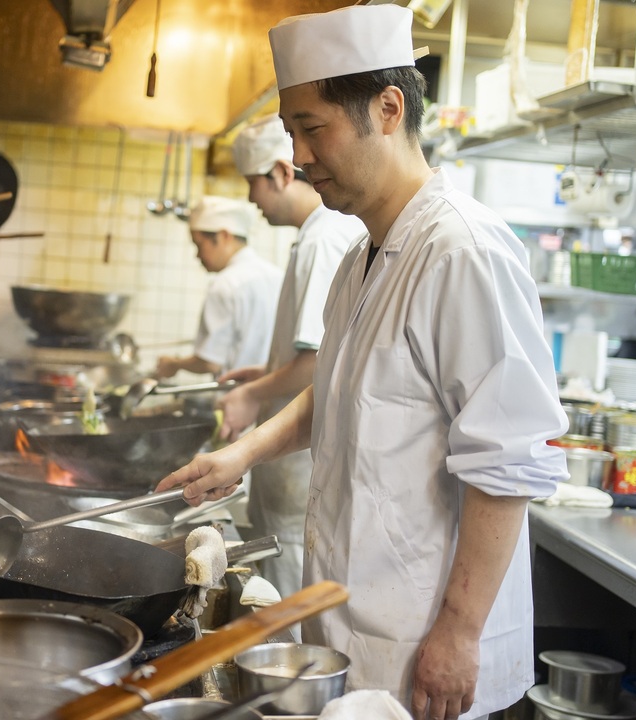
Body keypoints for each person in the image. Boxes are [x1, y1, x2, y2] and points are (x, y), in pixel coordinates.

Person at [156, 6, 569, 720]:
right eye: (292, 134)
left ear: (387, 108)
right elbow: (337, 392)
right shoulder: (360, 257)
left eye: (313, 129)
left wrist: (460, 631)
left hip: (428, 640)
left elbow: (510, 461)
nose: (302, 156)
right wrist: (243, 454)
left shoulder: (463, 251)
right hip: (355, 620)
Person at [217, 115, 366, 597]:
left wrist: (250, 394)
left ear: (282, 174)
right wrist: (265, 373)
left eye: (252, 184)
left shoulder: (324, 239)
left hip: (299, 472)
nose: (251, 200)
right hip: (286, 468)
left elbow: (317, 363)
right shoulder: (315, 236)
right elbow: (314, 352)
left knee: (284, 607)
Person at [155, 196, 283, 379]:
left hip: (236, 397)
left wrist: (174, 364)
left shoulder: (225, 284)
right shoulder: (276, 274)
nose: (197, 255)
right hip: (274, 394)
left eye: (199, 245)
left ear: (223, 236)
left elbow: (210, 362)